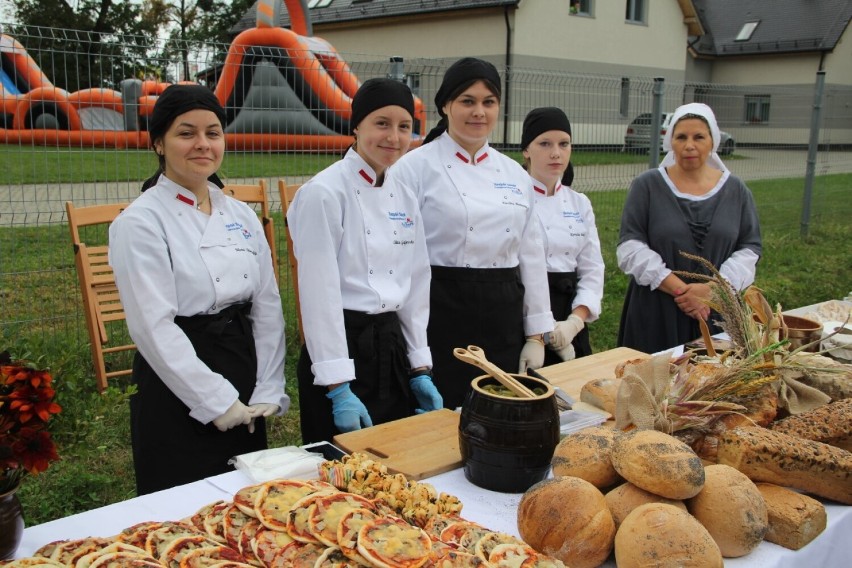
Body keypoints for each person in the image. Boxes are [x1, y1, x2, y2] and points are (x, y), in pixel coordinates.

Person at [109, 84, 288, 495]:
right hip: (176, 381)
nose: (202, 144)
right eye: (186, 133)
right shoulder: (140, 223)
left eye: (213, 132)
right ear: (158, 143)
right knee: (183, 507)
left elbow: (266, 305)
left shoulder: (240, 213)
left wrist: (268, 385)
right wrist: (215, 400)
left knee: (247, 499)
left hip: (242, 364)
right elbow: (153, 328)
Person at [286, 78, 441, 444]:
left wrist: (419, 367)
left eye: (404, 127)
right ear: (357, 126)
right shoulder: (323, 194)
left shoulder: (404, 194)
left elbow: (416, 282)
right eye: (382, 123)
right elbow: (318, 295)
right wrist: (338, 387)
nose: (393, 137)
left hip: (391, 347)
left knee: (395, 466)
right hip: (341, 347)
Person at [393, 57, 553, 410]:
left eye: (488, 102)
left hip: (503, 314)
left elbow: (531, 253)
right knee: (441, 419)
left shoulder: (515, 174)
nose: (478, 112)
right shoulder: (413, 168)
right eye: (467, 101)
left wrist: (536, 335)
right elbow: (400, 255)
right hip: (440, 308)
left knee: (501, 412)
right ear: (446, 105)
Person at [616, 102, 762, 353]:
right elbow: (630, 245)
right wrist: (683, 291)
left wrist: (714, 289)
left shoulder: (736, 190)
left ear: (712, 141)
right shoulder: (647, 186)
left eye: (699, 137)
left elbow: (749, 247)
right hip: (656, 311)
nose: (689, 145)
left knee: (715, 384)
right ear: (670, 142)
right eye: (681, 137)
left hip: (717, 311)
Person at [520, 107, 604, 366]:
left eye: (563, 144)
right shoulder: (514, 199)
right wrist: (538, 333)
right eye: (544, 143)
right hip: (525, 319)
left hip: (569, 316)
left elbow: (592, 269)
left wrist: (574, 323)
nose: (556, 153)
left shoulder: (580, 203)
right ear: (526, 150)